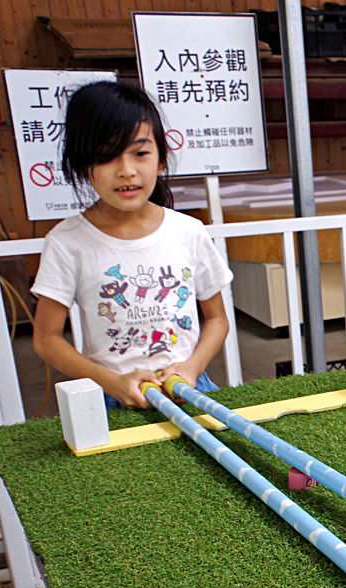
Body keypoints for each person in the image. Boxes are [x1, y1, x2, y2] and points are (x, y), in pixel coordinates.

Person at [31, 81, 232, 408]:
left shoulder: (188, 231)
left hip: (189, 387)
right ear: (83, 165)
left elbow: (218, 318)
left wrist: (192, 367)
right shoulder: (67, 242)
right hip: (112, 394)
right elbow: (47, 338)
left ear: (161, 159)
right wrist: (112, 383)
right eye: (106, 156)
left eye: (140, 153)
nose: (126, 171)